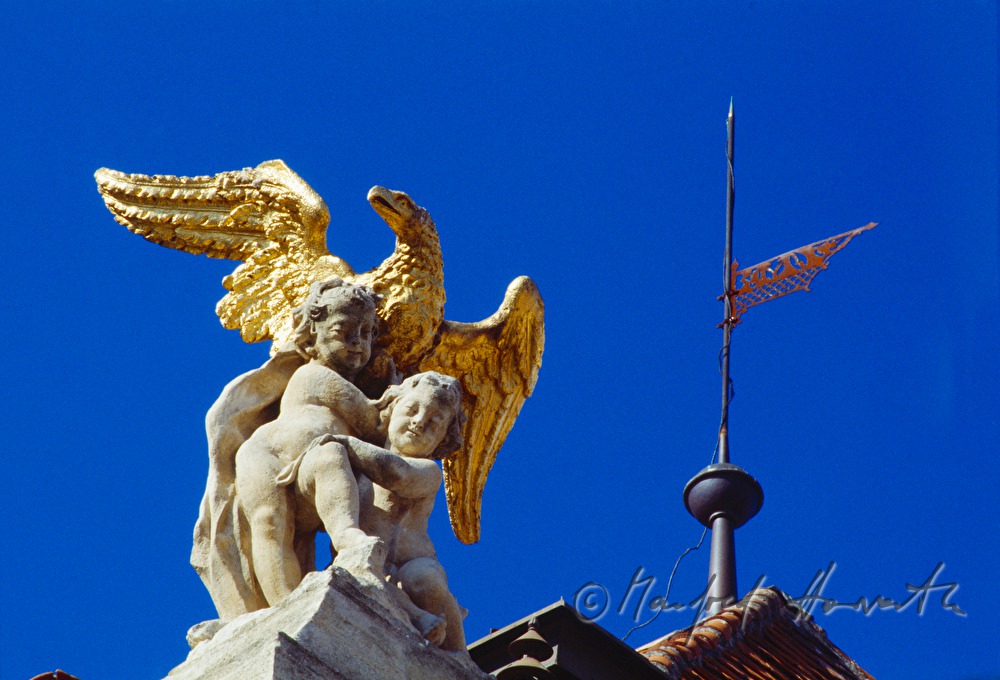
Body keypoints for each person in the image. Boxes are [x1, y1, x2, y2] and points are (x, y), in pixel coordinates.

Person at [234, 279, 385, 608]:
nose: (356, 343)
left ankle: (345, 540)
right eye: (342, 332)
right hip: (264, 455)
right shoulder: (314, 374)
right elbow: (373, 423)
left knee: (330, 457)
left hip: (311, 463)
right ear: (312, 336)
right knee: (269, 525)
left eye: (365, 332)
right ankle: (283, 605)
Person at [319, 371, 469, 652]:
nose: (419, 422)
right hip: (373, 563)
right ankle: (416, 616)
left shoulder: (428, 472)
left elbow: (396, 473)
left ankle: (461, 656)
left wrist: (347, 443)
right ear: (391, 407)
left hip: (416, 565)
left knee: (421, 579)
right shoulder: (354, 476)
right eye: (412, 409)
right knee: (359, 568)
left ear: (442, 442)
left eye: (435, 423)